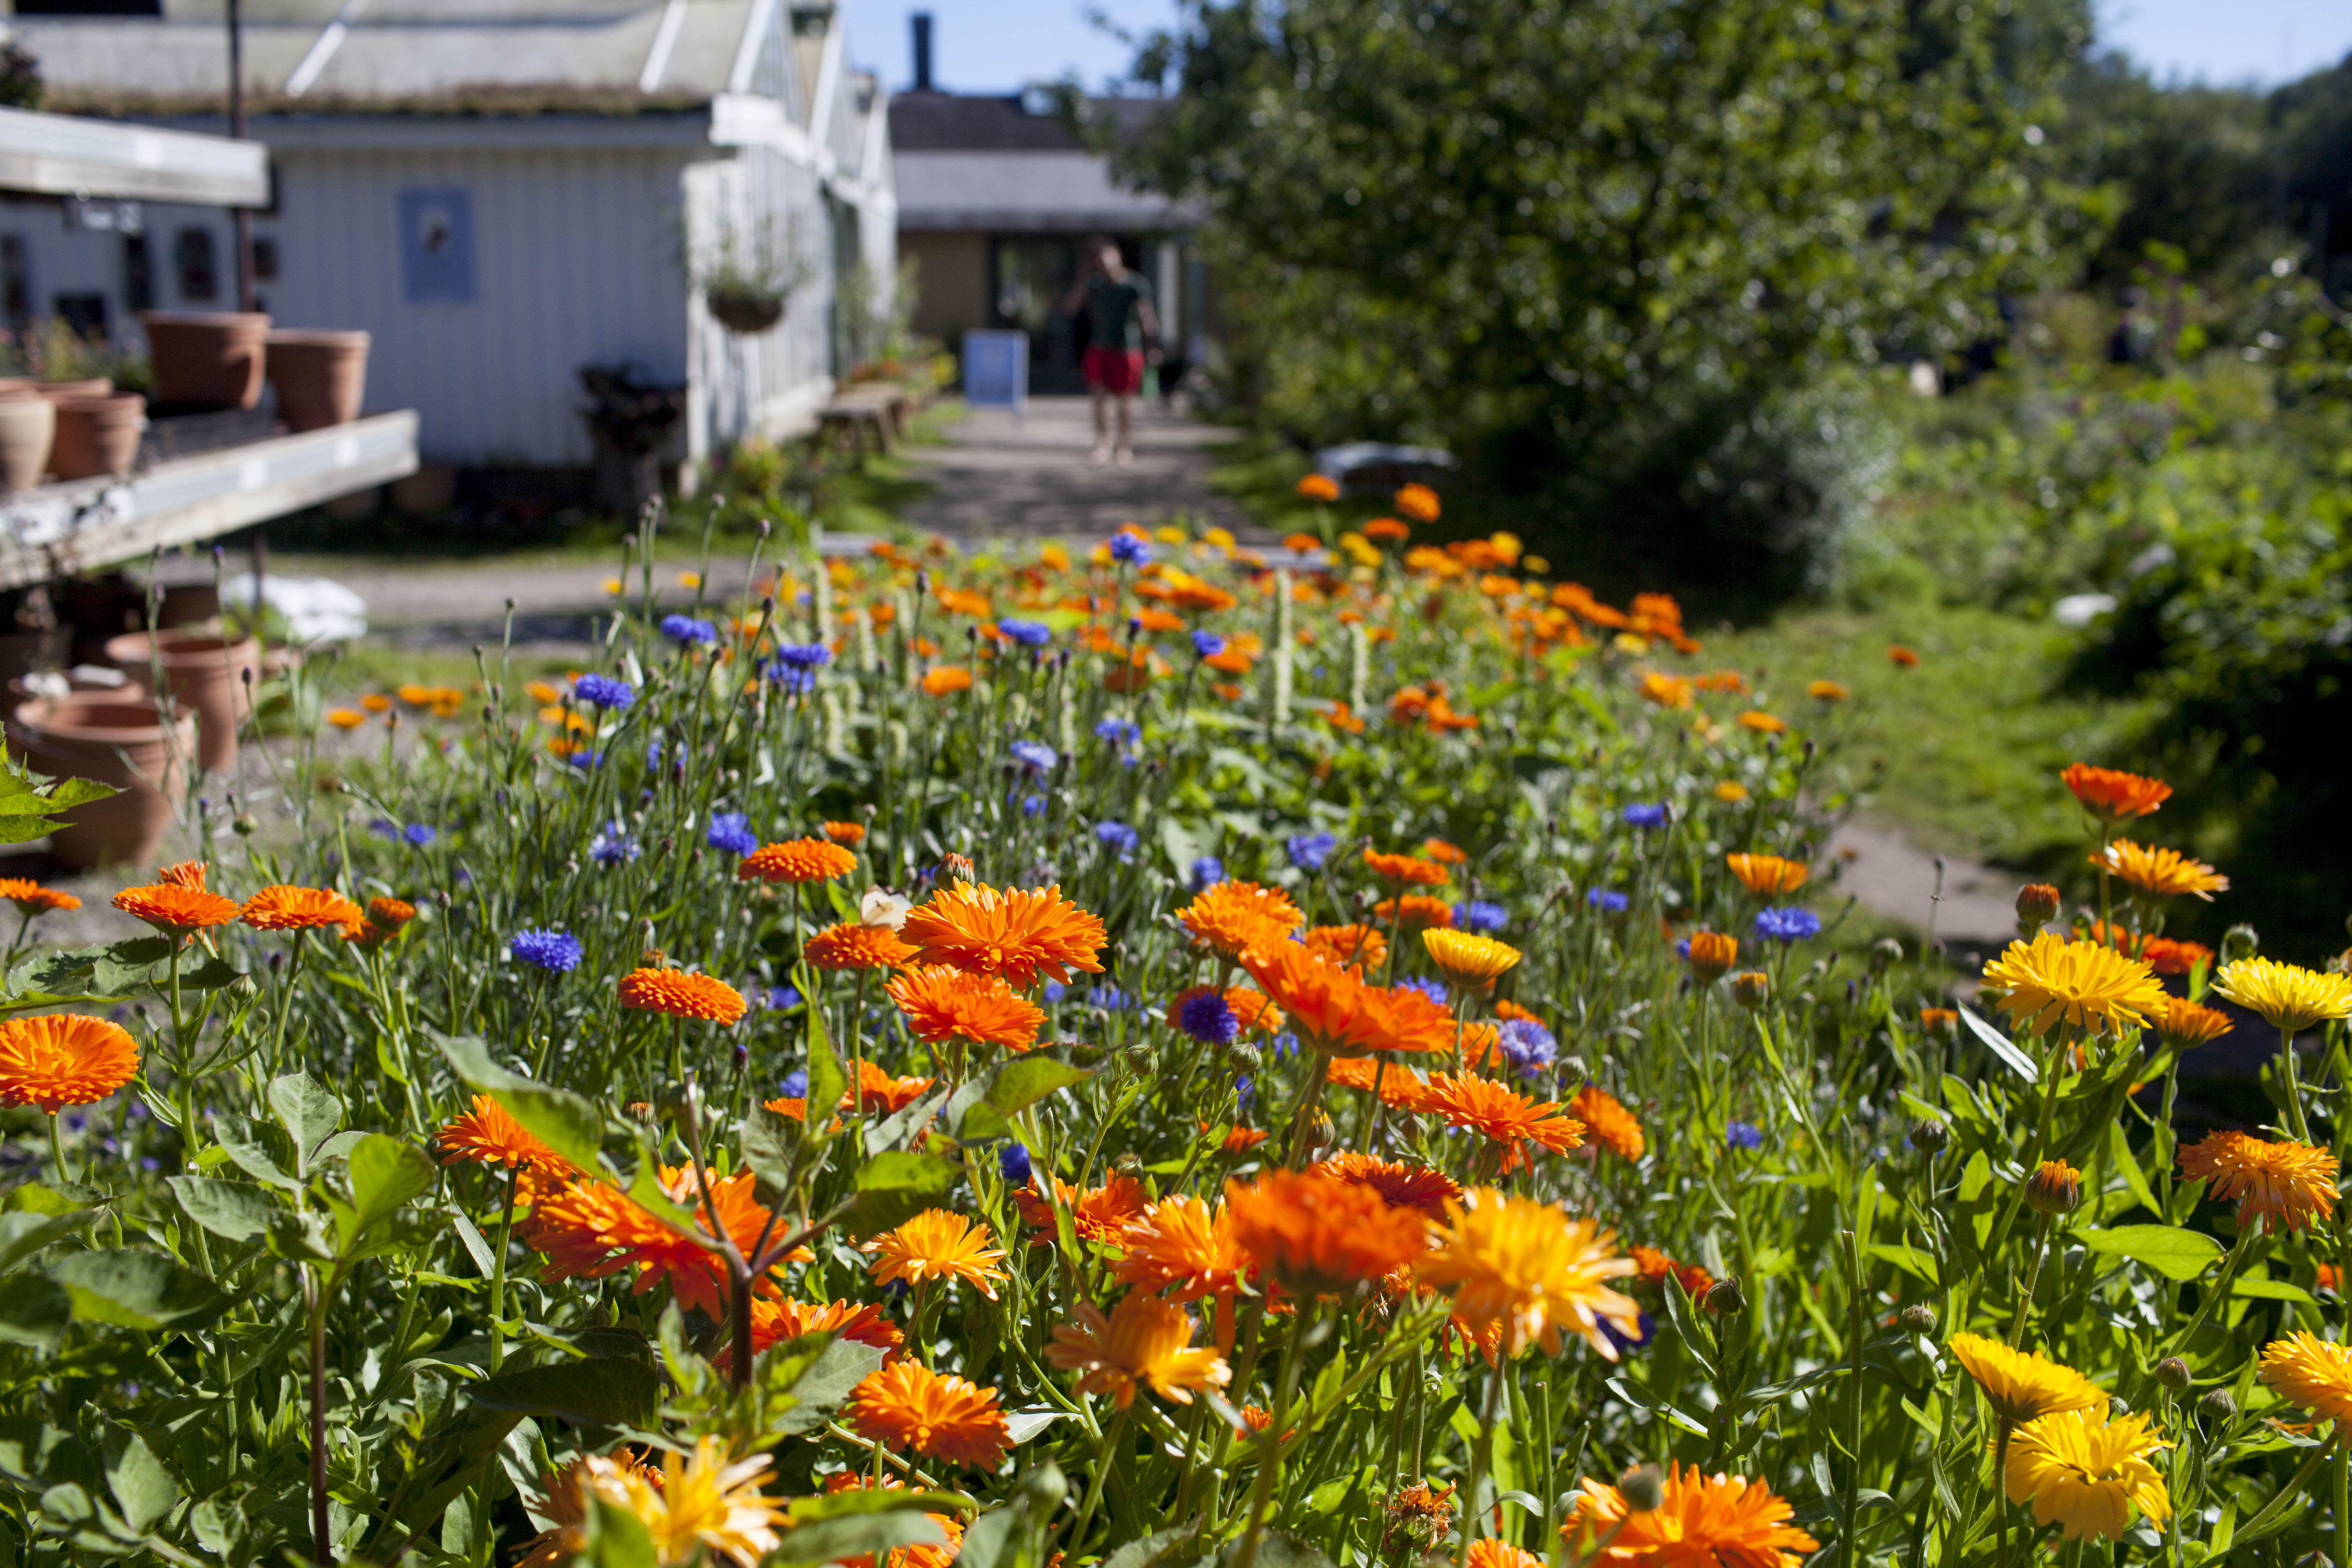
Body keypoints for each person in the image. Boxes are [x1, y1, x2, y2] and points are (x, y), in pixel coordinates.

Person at [1061, 238, 1160, 465]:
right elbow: (1070, 309)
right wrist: (1082, 279)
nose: (1104, 262)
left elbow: (1148, 317)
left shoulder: (1135, 284)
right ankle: (1102, 445)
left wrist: (1152, 345)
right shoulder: (1095, 285)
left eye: (1108, 256)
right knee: (1098, 400)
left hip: (1127, 350)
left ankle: (1124, 447)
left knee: (1125, 404)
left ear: (1118, 256)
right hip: (1100, 349)